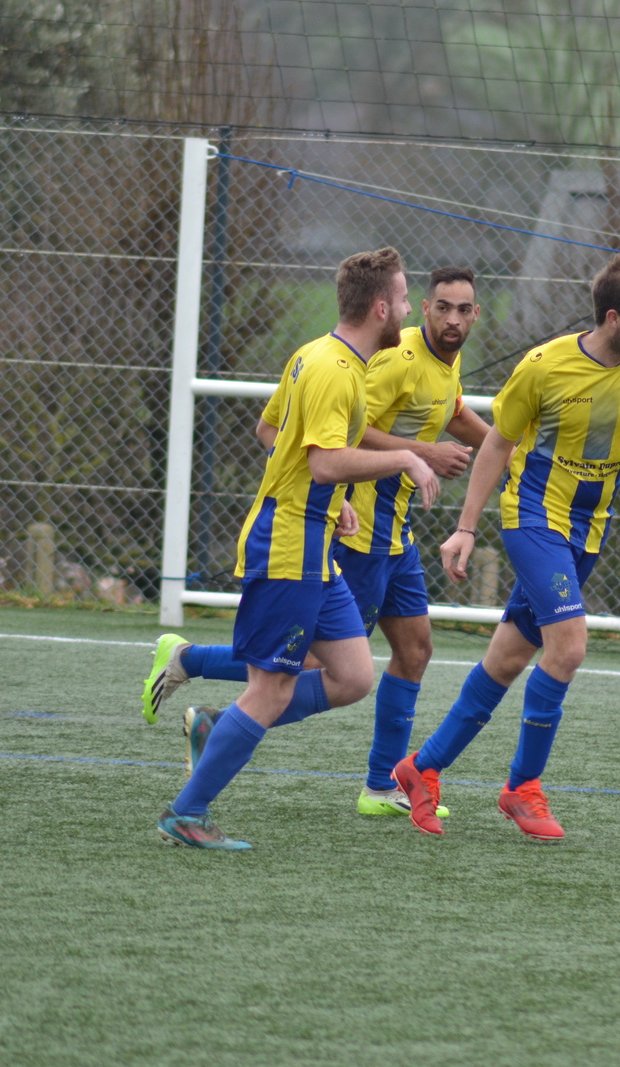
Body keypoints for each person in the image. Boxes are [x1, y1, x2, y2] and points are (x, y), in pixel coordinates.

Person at [143, 267, 491, 824]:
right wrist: (407, 457)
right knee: (281, 678)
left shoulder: (324, 356)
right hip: (303, 539)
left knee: (356, 673)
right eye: (411, 301)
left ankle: (372, 782)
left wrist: (330, 495)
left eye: (462, 308)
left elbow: (275, 433)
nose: (414, 313)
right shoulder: (344, 368)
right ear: (383, 307)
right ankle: (192, 796)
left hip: (336, 532)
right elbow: (325, 457)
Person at [391, 252, 620, 841]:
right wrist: (467, 527)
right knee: (569, 647)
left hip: (590, 527)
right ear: (613, 318)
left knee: (506, 659)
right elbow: (496, 446)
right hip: (533, 519)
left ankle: (421, 768)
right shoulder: (543, 366)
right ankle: (522, 787)